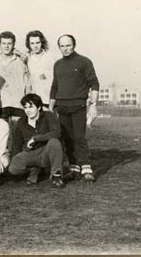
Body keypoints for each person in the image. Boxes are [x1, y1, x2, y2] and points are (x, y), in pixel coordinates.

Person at [49, 34, 99, 183]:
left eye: (68, 45)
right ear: (59, 47)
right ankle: (74, 168)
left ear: (74, 45)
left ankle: (86, 168)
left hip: (78, 106)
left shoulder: (84, 62)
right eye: (62, 46)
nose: (65, 49)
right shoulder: (57, 64)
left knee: (79, 138)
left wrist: (93, 105)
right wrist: (51, 106)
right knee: (67, 139)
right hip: (61, 107)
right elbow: (55, 86)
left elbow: (94, 84)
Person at [9, 93, 65, 188]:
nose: (28, 110)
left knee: (54, 142)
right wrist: (17, 159)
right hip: (29, 153)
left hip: (45, 152)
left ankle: (56, 176)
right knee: (13, 168)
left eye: (31, 107)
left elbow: (57, 133)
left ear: (39, 107)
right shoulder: (21, 122)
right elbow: (16, 144)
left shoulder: (48, 116)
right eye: (25, 107)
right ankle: (34, 170)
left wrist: (36, 138)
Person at [0, 31, 30, 122]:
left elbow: (27, 81)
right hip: (2, 103)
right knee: (3, 133)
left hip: (18, 103)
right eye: (4, 43)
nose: (6, 46)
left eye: (9, 43)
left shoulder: (21, 61)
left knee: (17, 133)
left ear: (13, 44)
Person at [24, 30, 57, 106]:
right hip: (35, 100)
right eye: (32, 43)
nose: (35, 46)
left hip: (49, 99)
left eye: (37, 43)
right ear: (29, 44)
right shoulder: (28, 58)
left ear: (42, 42)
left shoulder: (50, 57)